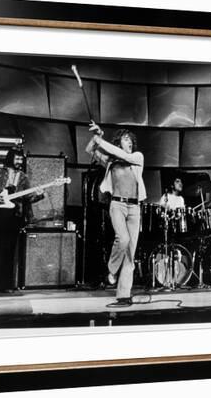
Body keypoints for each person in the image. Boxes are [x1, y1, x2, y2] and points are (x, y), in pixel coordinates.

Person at [86, 123, 146, 307]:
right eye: (125, 139)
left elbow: (122, 154)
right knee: (123, 239)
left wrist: (100, 140)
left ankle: (123, 295)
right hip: (117, 205)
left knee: (130, 254)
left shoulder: (137, 157)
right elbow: (90, 149)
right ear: (119, 142)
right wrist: (97, 135)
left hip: (135, 208)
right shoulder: (110, 161)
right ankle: (111, 270)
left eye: (131, 140)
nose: (129, 142)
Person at [0, 147, 44, 296]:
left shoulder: (23, 177)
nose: (19, 161)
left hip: (14, 216)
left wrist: (41, 195)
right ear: (10, 158)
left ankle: (5, 285)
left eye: (21, 159)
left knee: (9, 252)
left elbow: (29, 198)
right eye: (17, 158)